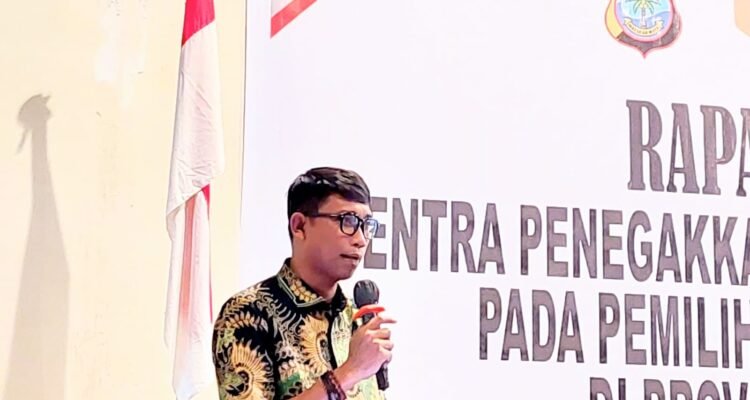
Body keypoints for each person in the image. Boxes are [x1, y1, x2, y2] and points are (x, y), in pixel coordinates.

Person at [212, 167, 395, 400]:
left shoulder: (354, 317)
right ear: (299, 226)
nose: (360, 240)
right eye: (347, 221)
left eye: (366, 225)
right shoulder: (248, 313)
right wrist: (350, 372)